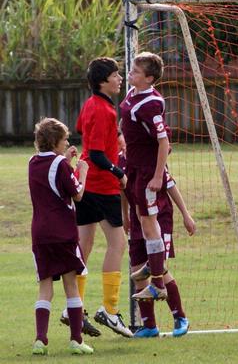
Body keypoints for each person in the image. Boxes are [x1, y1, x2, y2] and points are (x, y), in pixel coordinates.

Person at [61, 57, 133, 338]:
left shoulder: (92, 103)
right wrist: (119, 173)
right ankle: (110, 311)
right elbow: (100, 155)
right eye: (116, 75)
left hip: (84, 181)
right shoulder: (106, 110)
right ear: (104, 81)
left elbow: (82, 129)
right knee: (118, 243)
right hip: (102, 185)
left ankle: (72, 308)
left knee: (84, 245)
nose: (120, 79)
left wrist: (113, 135)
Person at [28, 117, 93, 355]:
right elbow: (77, 193)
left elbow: (51, 176)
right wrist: (81, 171)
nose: (67, 143)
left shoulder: (32, 162)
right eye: (65, 139)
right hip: (63, 232)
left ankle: (40, 340)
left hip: (40, 234)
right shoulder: (61, 164)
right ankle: (76, 340)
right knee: (71, 285)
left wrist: (65, 162)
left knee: (45, 287)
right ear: (55, 141)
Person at [120, 154, 196, 337]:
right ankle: (149, 326)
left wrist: (186, 215)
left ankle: (180, 317)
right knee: (137, 271)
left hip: (159, 217)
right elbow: (122, 189)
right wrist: (125, 215)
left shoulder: (151, 160)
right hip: (137, 220)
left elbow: (170, 186)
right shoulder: (120, 161)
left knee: (159, 268)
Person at [120, 51, 171, 301]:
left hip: (147, 172)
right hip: (134, 167)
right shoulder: (132, 94)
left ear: (149, 78)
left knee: (150, 225)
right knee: (143, 221)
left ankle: (159, 284)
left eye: (137, 71)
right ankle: (153, 265)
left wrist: (158, 176)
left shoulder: (151, 104)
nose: (131, 73)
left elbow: (163, 142)